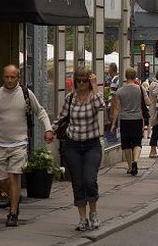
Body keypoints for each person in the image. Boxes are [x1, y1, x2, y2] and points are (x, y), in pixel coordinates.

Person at [0, 64, 54, 227]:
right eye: (7, 77)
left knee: (14, 175)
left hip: (19, 142)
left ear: (18, 78)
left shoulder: (26, 94)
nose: (10, 80)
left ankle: (13, 213)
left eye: (13, 77)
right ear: (3, 77)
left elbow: (40, 111)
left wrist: (48, 129)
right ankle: (14, 198)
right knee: (0, 177)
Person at [52, 67, 106, 231]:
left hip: (92, 145)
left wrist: (95, 85)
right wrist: (50, 131)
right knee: (78, 182)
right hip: (72, 145)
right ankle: (82, 218)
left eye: (84, 80)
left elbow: (101, 106)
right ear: (75, 82)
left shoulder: (94, 97)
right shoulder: (70, 98)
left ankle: (94, 213)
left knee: (90, 180)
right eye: (79, 81)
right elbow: (61, 118)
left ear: (89, 81)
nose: (81, 83)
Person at [111, 68, 151, 176]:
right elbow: (148, 102)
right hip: (137, 119)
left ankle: (129, 166)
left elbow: (117, 109)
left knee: (126, 144)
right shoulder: (140, 88)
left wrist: (114, 123)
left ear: (125, 76)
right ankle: (135, 161)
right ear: (135, 76)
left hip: (124, 120)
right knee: (137, 142)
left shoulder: (120, 91)